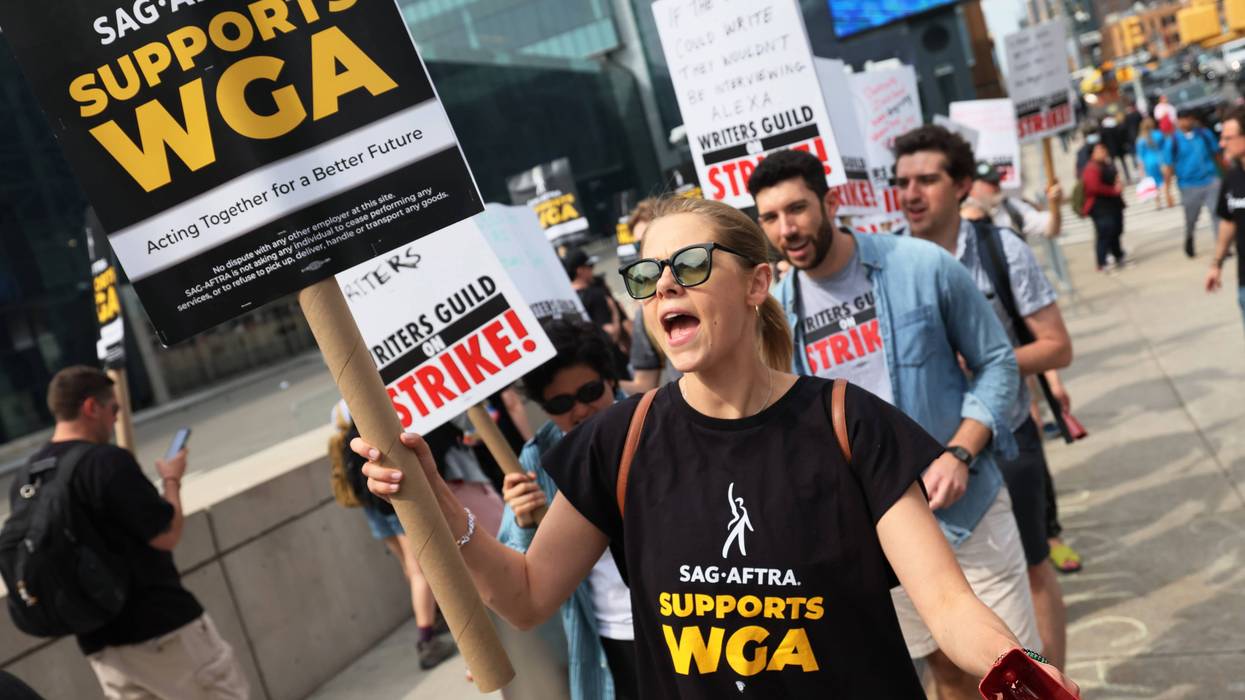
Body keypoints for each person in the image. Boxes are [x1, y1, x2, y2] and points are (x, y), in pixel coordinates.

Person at [353, 197, 1080, 698]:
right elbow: (523, 596)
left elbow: (948, 606)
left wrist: (1019, 671)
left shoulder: (847, 423)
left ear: (757, 283)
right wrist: (438, 501)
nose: (664, 283)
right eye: (646, 275)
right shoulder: (617, 439)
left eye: (692, 266)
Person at [749, 149, 1047, 698]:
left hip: (969, 510)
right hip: (875, 536)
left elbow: (998, 361)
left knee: (1015, 678)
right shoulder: (771, 314)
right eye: (769, 217)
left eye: (797, 209)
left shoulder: (920, 265)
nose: (786, 229)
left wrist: (960, 451)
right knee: (946, 675)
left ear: (830, 201)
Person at [892, 126, 1074, 672]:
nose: (911, 193)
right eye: (902, 181)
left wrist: (988, 359)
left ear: (963, 184)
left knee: (1032, 571)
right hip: (927, 458)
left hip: (1005, 439)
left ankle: (1048, 685)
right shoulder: (890, 263)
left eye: (928, 179)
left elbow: (1057, 346)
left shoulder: (1000, 249)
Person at [31, 366, 248, 699]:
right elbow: (166, 534)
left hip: (100, 647)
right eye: (114, 409)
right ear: (91, 407)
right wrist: (172, 479)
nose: (116, 420)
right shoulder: (105, 462)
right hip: (163, 631)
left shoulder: (29, 477)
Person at [497, 318, 636, 700]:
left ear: (610, 379)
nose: (580, 410)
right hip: (610, 639)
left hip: (690, 622)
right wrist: (524, 522)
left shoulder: (655, 422)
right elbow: (516, 579)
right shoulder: (537, 460)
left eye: (590, 391)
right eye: (560, 403)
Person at [330, 402, 458, 670]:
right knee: (420, 571)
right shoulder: (379, 431)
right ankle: (427, 639)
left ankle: (432, 617)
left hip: (372, 510)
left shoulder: (345, 432)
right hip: (391, 509)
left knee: (411, 570)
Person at [622, 199, 682, 394]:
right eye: (638, 244)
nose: (644, 249)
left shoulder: (715, 286)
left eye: (650, 238)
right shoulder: (647, 310)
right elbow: (644, 385)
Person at [564, 248, 632, 378]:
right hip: (613, 366)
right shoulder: (595, 295)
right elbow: (612, 334)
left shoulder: (566, 301)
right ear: (580, 270)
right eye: (589, 266)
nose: (592, 270)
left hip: (589, 370)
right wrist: (614, 312)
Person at [1206, 106, 1245, 329]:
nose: (1222, 144)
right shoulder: (1232, 178)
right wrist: (1216, 264)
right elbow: (1228, 221)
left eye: (1228, 138)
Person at [1167, 110, 1223, 258]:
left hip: (1210, 180)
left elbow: (1216, 154)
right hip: (1188, 184)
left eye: (1190, 118)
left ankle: (1222, 246)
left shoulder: (1204, 134)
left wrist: (1225, 175)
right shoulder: (1173, 140)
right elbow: (1168, 166)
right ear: (1178, 121)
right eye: (1184, 119)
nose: (1187, 122)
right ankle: (1189, 237)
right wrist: (1167, 191)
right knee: (1191, 218)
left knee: (1217, 213)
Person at [965, 161, 1063, 240]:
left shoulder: (1011, 207)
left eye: (997, 181)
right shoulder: (962, 218)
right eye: (991, 183)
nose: (997, 186)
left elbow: (1051, 229)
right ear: (972, 187)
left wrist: (1055, 205)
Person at [1081, 142, 1127, 271]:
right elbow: (1093, 187)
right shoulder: (1091, 168)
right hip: (1100, 207)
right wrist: (1113, 190)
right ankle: (1102, 261)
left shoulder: (1107, 164)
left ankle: (1118, 255)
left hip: (1113, 204)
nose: (1103, 152)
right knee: (1105, 232)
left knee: (1116, 230)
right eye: (1099, 150)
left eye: (1103, 149)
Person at [1136, 118, 1173, 209]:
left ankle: (1158, 202)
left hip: (1149, 162)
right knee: (1166, 181)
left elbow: (1140, 156)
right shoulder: (1159, 134)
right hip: (1161, 160)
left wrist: (1141, 169)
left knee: (1154, 183)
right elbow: (1166, 147)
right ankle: (1168, 196)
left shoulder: (1141, 139)